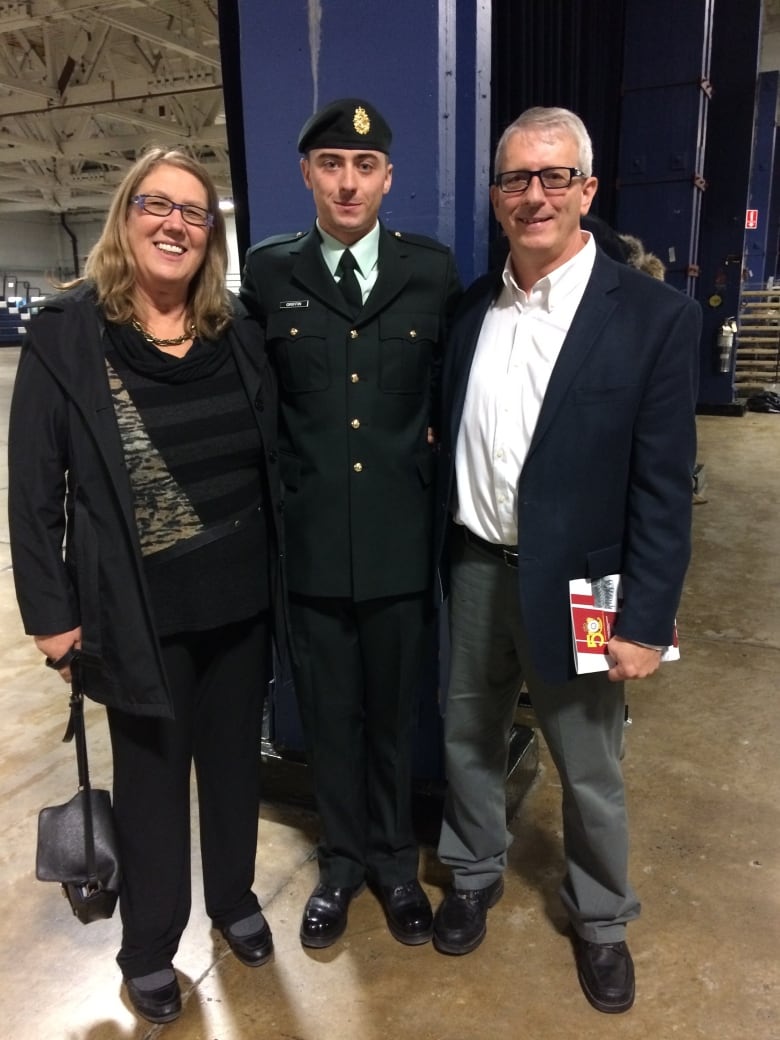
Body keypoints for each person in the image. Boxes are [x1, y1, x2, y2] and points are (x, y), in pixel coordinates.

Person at [430, 107, 701, 1014]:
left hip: (588, 583)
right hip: (474, 566)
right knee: (467, 734)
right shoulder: (471, 311)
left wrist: (647, 624)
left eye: (554, 177)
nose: (534, 194)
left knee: (589, 761)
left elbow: (663, 488)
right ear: (498, 196)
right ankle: (471, 872)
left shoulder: (652, 319)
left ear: (588, 190)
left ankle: (600, 919)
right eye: (516, 178)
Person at [8, 148, 284, 1025]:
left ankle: (234, 901)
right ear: (125, 218)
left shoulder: (233, 327)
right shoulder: (67, 336)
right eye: (156, 206)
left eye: (194, 213)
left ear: (211, 236)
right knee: (154, 785)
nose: (175, 224)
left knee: (237, 769)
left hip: (240, 601)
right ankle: (148, 947)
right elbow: (32, 490)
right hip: (138, 613)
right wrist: (53, 620)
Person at [240, 98, 461, 949]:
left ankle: (396, 867)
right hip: (313, 551)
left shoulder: (431, 273)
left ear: (388, 178)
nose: (348, 180)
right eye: (331, 164)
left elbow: (451, 391)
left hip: (403, 551)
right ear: (307, 175)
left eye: (364, 166)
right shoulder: (269, 273)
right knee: (330, 717)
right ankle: (339, 865)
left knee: (394, 716)